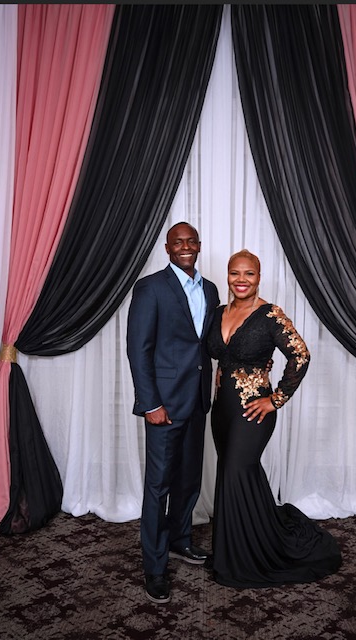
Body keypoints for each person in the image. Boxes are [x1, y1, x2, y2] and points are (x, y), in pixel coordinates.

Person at [206, 249, 342, 588]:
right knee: (233, 473)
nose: (241, 279)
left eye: (249, 273)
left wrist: (275, 399)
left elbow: (300, 355)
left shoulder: (270, 315)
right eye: (235, 273)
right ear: (228, 276)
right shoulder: (219, 312)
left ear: (259, 277)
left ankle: (249, 557)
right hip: (221, 411)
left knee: (238, 470)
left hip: (253, 411)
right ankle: (236, 547)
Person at [126, 222, 220, 604]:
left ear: (199, 245)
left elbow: (206, 345)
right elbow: (138, 349)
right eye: (177, 242)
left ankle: (181, 540)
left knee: (189, 479)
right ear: (167, 248)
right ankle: (155, 566)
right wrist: (151, 404)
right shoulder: (150, 288)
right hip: (163, 406)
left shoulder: (210, 290)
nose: (184, 246)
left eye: (190, 241)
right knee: (159, 486)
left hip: (196, 401)